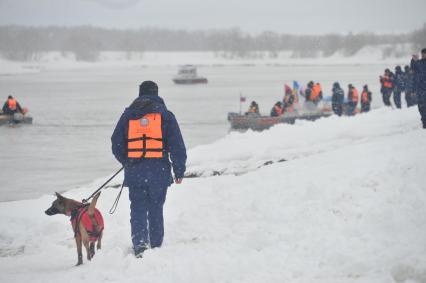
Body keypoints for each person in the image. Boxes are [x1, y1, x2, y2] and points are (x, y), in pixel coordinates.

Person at [111, 81, 187, 257]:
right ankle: (156, 245)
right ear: (156, 93)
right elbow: (177, 146)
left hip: (135, 171)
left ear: (140, 94)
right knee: (156, 208)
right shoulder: (166, 116)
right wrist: (179, 170)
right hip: (158, 171)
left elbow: (116, 143)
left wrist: (127, 161)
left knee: (137, 208)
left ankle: (140, 245)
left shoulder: (128, 116)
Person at [411, 48, 426, 128]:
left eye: (424, 53)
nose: (423, 55)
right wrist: (413, 60)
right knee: (420, 106)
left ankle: (425, 122)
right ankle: (424, 119)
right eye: (422, 53)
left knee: (424, 106)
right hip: (420, 88)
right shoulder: (419, 62)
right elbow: (413, 68)